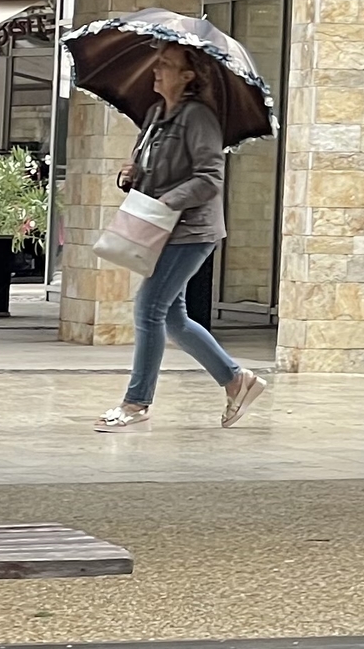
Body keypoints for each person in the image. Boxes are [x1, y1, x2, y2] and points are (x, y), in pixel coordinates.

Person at [95, 46, 267, 432]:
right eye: (158, 63)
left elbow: (209, 178)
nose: (156, 70)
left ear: (188, 76)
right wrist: (133, 175)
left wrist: (166, 202)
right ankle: (237, 381)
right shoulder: (156, 115)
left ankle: (136, 402)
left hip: (190, 230)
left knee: (149, 309)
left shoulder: (198, 118)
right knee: (172, 318)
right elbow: (156, 170)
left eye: (166, 65)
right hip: (162, 227)